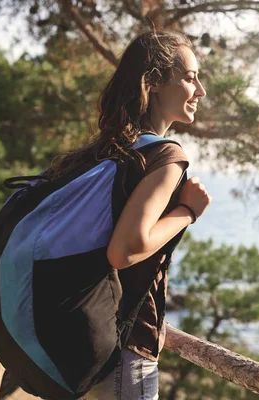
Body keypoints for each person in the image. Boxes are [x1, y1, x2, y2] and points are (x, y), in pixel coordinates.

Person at [45, 30, 211, 399]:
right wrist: (187, 211)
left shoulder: (107, 148)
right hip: (122, 348)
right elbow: (124, 250)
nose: (200, 90)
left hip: (81, 337)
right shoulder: (166, 157)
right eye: (189, 77)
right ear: (153, 82)